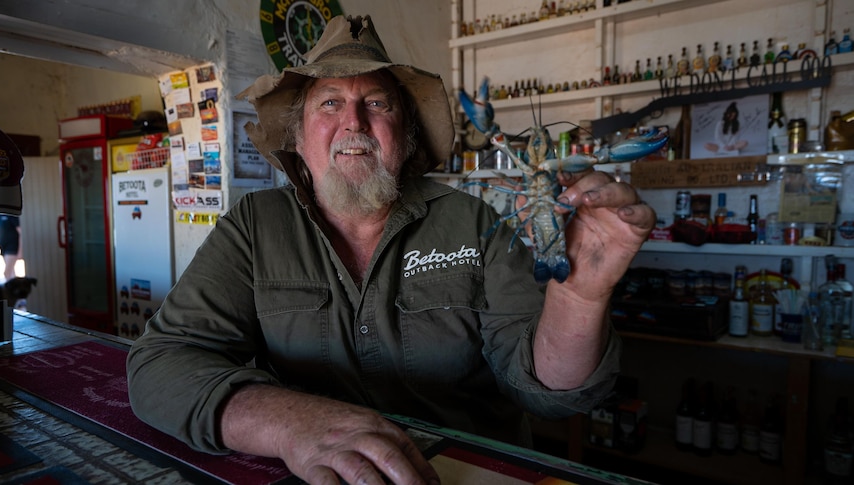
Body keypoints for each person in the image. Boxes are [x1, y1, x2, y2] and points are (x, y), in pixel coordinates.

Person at [127, 15, 656, 485]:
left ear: (404, 137)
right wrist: (291, 424)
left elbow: (546, 392)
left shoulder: (476, 220)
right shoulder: (253, 225)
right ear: (300, 138)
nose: (354, 121)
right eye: (330, 102)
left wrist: (581, 297)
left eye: (376, 103)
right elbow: (159, 366)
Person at [0, 214, 20, 281]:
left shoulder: (11, 215)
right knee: (12, 273)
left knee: (6, 273)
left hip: (12, 247)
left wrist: (20, 251)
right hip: (3, 248)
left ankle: (9, 290)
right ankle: (15, 289)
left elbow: (21, 232)